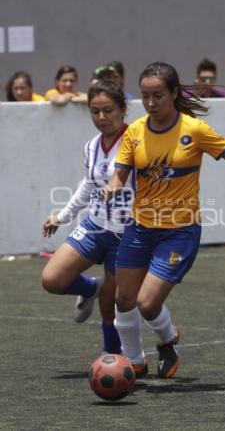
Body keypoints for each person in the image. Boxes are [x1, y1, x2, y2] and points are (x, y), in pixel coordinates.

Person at [101, 61, 225, 379]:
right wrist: (114, 184)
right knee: (123, 298)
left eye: (158, 95)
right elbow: (120, 172)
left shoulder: (194, 130)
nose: (150, 103)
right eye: (146, 96)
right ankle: (134, 362)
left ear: (173, 93)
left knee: (147, 304)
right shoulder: (134, 131)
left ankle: (168, 338)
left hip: (179, 233)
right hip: (139, 228)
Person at [41, 81, 135, 355]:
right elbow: (88, 183)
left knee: (111, 305)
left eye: (108, 110)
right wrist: (62, 216)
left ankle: (112, 359)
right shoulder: (92, 146)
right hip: (94, 226)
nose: (102, 117)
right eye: (95, 112)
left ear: (123, 109)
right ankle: (90, 287)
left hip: (125, 235)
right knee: (52, 279)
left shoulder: (136, 142)